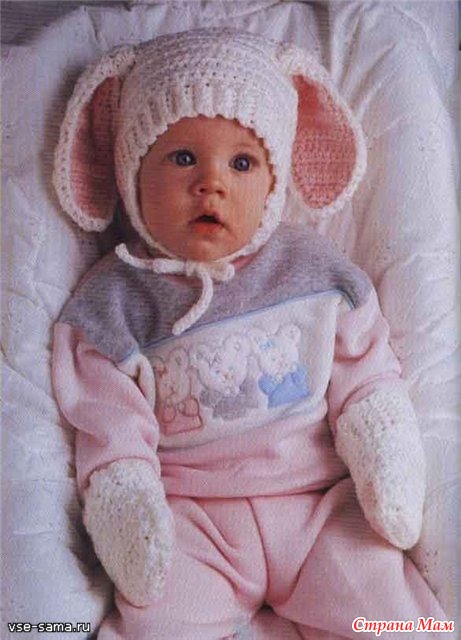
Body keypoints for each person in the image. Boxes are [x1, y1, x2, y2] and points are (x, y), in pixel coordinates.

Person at [52, 28, 446, 639]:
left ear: (273, 181)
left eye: (241, 163)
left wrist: (384, 458)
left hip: (319, 509)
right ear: (132, 173)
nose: (211, 183)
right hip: (195, 523)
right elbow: (110, 430)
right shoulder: (114, 302)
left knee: (395, 622)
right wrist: (130, 508)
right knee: (158, 625)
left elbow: (367, 376)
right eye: (183, 158)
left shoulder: (314, 271)